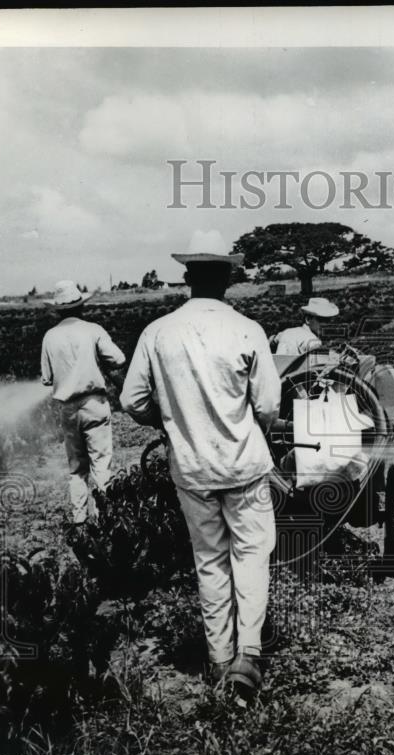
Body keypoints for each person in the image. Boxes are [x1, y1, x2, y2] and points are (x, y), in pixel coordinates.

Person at [120, 230, 281, 696]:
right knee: (251, 556)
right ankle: (247, 657)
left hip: (191, 467)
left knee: (209, 560)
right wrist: (254, 429)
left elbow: (132, 400)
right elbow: (268, 404)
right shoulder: (247, 329)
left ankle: (217, 659)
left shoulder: (157, 332)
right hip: (243, 464)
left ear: (187, 277)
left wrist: (170, 423)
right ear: (228, 279)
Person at [40, 280, 126, 526]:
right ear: (80, 306)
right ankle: (103, 518)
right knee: (101, 463)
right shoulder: (92, 330)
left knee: (77, 469)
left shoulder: (50, 336)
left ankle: (79, 521)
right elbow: (118, 359)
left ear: (57, 310)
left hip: (67, 409)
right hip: (93, 403)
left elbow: (47, 379)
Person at [270, 297, 339, 356]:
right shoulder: (312, 340)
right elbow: (320, 353)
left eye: (328, 321)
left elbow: (272, 340)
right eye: (321, 320)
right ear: (308, 320)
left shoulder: (287, 332)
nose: (325, 324)